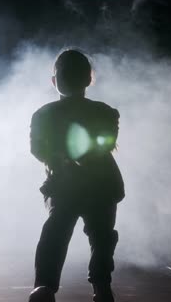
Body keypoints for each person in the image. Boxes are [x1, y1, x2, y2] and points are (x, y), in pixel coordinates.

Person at [28, 49, 125, 302]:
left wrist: (64, 159)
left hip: (76, 185)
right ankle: (97, 286)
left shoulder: (44, 114)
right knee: (95, 236)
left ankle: (51, 286)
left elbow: (39, 149)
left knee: (66, 234)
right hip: (90, 185)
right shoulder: (104, 112)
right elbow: (38, 149)